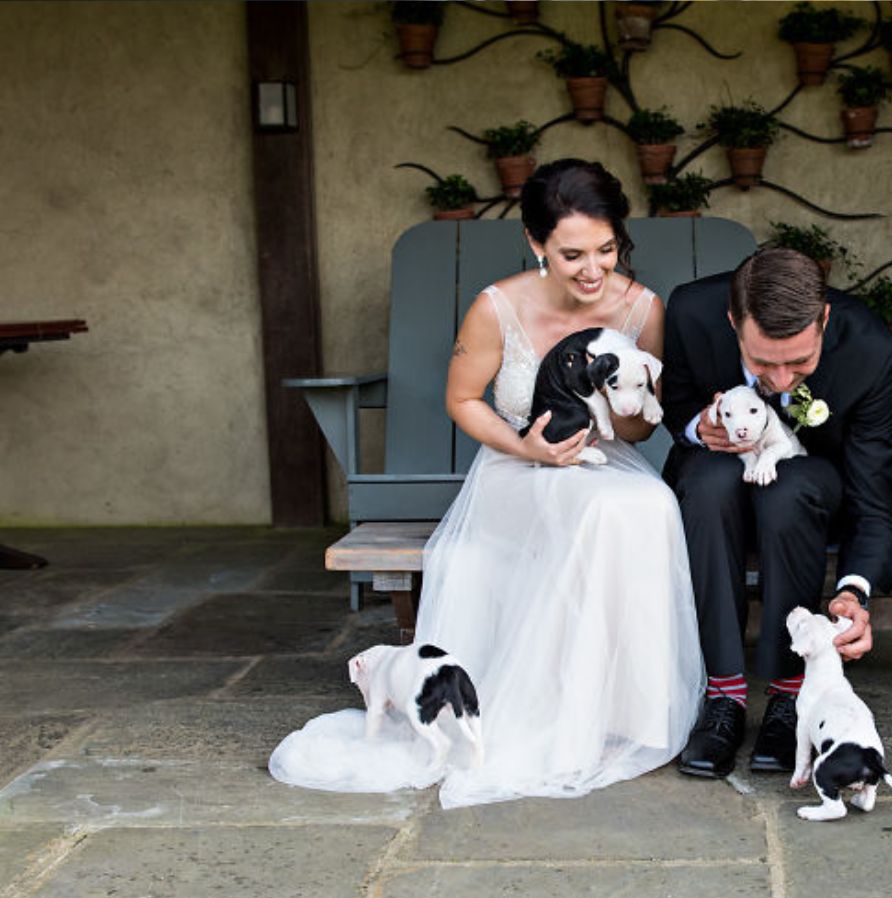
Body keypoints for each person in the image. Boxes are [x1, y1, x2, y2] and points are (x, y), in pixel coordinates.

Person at [270, 159, 702, 807]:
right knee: (607, 511)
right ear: (537, 244)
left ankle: (627, 715)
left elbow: (638, 435)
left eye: (608, 250)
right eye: (573, 254)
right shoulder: (498, 306)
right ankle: (560, 716)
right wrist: (524, 443)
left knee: (650, 503)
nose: (593, 270)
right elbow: (464, 400)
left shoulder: (641, 308)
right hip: (515, 466)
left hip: (601, 462)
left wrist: (636, 404)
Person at [662, 248, 892, 779]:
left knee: (789, 489)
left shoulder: (871, 349)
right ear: (733, 322)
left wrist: (854, 592)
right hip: (722, 478)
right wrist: (696, 428)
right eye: (762, 363)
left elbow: (874, 493)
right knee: (708, 482)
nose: (781, 381)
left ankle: (788, 694)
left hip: (822, 482)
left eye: (799, 364)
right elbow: (678, 403)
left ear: (823, 321)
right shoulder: (690, 312)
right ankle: (724, 695)